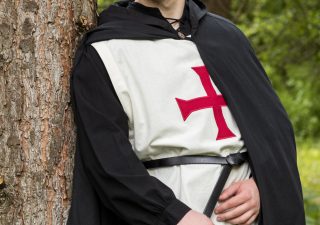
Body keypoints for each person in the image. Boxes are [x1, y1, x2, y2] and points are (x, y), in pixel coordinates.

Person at [67, 0, 305, 225]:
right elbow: (108, 161)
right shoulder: (104, 50)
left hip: (244, 217)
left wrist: (261, 185)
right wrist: (172, 214)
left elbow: (274, 133)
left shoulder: (227, 38)